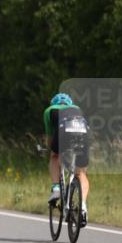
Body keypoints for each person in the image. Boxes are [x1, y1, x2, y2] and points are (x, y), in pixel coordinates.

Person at [43, 92, 90, 225]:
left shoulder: (49, 110)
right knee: (81, 173)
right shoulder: (77, 109)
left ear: (54, 103)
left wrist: (50, 148)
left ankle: (56, 188)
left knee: (54, 156)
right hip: (83, 131)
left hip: (63, 128)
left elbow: (50, 139)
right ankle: (83, 206)